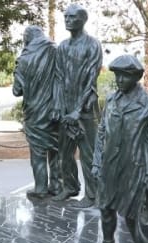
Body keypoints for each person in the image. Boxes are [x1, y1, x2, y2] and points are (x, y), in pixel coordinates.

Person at [88, 55, 148, 243]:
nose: (119, 80)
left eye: (125, 76)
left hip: (134, 166)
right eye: (117, 75)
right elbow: (102, 132)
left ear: (136, 77)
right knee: (106, 208)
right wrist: (96, 161)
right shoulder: (111, 100)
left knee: (132, 213)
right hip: (110, 165)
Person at [51, 3, 102, 208]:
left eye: (72, 17)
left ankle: (92, 195)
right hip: (65, 108)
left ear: (83, 19)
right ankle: (70, 187)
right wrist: (59, 107)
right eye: (65, 17)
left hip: (85, 110)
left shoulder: (92, 44)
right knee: (64, 152)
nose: (67, 20)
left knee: (88, 154)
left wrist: (77, 110)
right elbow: (59, 78)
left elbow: (91, 80)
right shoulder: (62, 47)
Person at [13, 25, 61, 202]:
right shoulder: (56, 51)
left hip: (34, 112)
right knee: (56, 149)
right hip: (56, 111)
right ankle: (57, 186)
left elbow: (17, 90)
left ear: (27, 39)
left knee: (38, 151)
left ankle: (41, 187)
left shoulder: (23, 59)